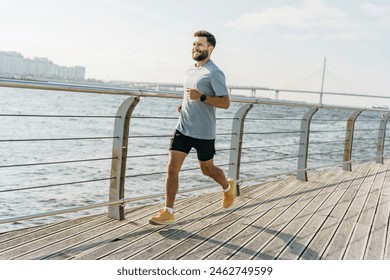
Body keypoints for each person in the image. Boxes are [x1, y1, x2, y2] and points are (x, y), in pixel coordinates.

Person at [149, 30, 236, 225]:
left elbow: (225, 103)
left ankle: (227, 187)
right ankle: (168, 212)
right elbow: (190, 95)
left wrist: (202, 97)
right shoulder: (190, 70)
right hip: (183, 127)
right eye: (194, 44)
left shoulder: (215, 73)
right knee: (172, 169)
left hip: (204, 132)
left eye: (199, 45)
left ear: (210, 48)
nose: (195, 48)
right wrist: (185, 105)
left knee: (207, 169)